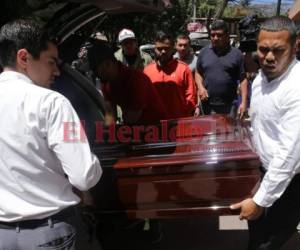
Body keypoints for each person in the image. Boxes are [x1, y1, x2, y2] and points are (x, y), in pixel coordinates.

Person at [0, 19, 102, 249]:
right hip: (51, 234)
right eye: (51, 62)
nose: (56, 71)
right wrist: (91, 159)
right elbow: (84, 176)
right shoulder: (51, 102)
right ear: (23, 57)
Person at [231, 16, 300, 250]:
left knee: (267, 242)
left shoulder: (296, 88)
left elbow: (289, 156)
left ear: (295, 46)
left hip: (290, 180)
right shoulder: (261, 78)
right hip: (261, 171)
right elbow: (260, 124)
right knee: (255, 232)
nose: (269, 57)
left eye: (278, 50)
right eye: (263, 50)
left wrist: (260, 200)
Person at [87, 39, 167, 124]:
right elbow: (110, 114)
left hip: (157, 129)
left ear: (108, 64)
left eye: (97, 70)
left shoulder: (135, 79)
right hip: (136, 128)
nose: (97, 75)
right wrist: (108, 131)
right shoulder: (106, 81)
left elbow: (131, 119)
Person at [195, 20, 248, 119]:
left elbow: (243, 79)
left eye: (219, 35)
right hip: (207, 105)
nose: (215, 38)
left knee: (228, 133)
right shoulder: (203, 52)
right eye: (212, 35)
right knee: (209, 133)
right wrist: (200, 88)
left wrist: (244, 103)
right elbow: (198, 72)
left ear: (227, 36)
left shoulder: (237, 54)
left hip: (229, 106)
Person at [143, 31, 197, 119]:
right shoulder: (147, 70)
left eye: (166, 48)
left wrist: (184, 114)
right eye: (159, 49)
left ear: (172, 48)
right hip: (155, 124)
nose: (163, 51)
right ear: (155, 49)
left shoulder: (184, 69)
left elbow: (191, 98)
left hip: (179, 122)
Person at [174, 34, 203, 116]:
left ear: (189, 46)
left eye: (185, 45)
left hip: (191, 104)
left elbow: (199, 85)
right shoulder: (171, 60)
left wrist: (198, 106)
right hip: (176, 104)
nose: (183, 48)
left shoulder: (196, 61)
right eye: (180, 45)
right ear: (175, 46)